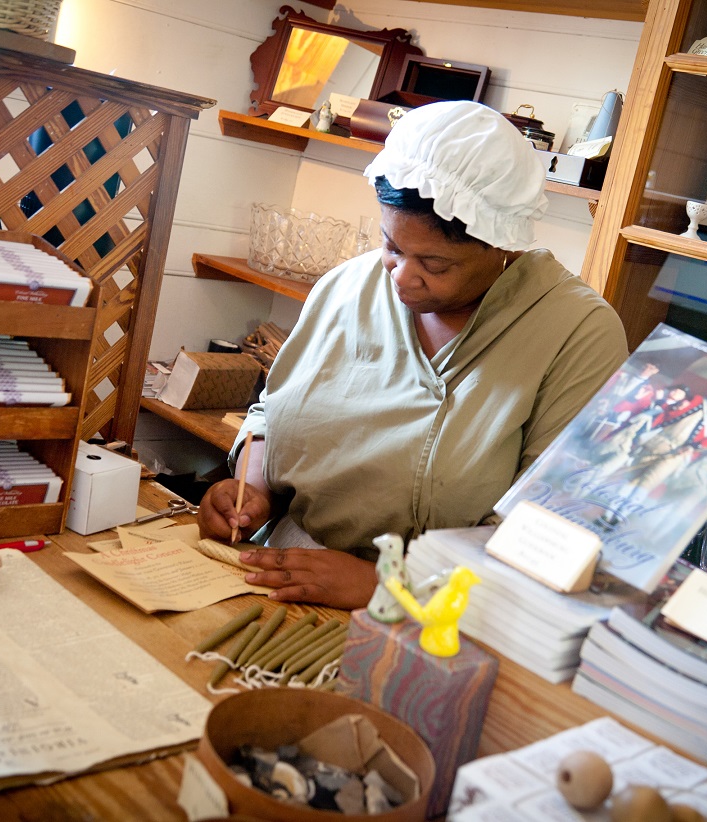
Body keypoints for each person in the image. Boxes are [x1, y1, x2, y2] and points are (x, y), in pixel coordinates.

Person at [197, 101, 628, 608]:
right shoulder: (346, 287)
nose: (400, 275)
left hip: (446, 612)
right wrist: (251, 491)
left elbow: (555, 529)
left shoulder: (576, 332)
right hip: (285, 570)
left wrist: (389, 588)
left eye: (435, 264)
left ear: (502, 245)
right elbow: (273, 412)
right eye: (391, 245)